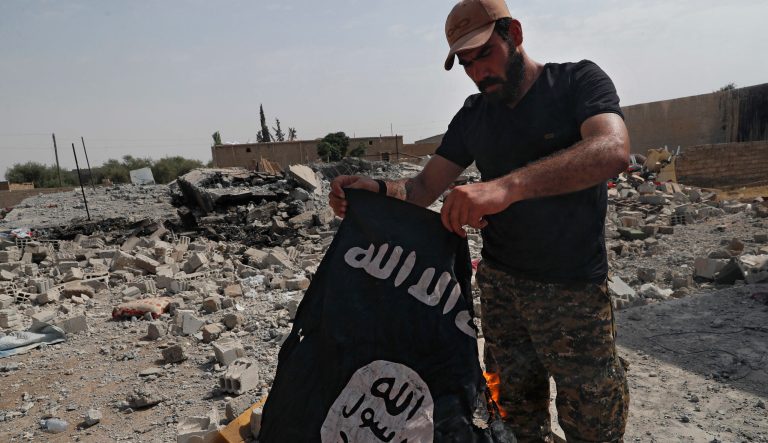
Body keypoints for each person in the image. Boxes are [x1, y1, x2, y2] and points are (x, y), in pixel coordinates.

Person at [328, 0, 630, 441]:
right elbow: (420, 190)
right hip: (502, 291)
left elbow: (612, 149)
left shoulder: (576, 82)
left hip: (573, 291)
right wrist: (373, 192)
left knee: (594, 425)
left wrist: (505, 187)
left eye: (484, 54)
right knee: (514, 417)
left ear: (515, 34)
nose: (476, 71)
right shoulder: (474, 115)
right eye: (466, 63)